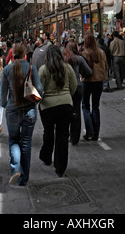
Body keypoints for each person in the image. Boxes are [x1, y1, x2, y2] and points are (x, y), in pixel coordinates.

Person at [0, 43, 43, 186]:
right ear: (25, 54)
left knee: (13, 140)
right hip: (29, 110)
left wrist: (6, 106)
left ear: (12, 55)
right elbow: (40, 89)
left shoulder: (6, 70)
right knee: (26, 143)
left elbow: (2, 96)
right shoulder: (31, 68)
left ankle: (16, 168)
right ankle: (24, 179)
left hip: (12, 110)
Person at [38, 45, 77, 177]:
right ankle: (60, 167)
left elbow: (39, 89)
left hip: (47, 107)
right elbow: (74, 85)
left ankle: (46, 156)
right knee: (63, 136)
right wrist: (67, 96)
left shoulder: (43, 70)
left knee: (48, 132)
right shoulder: (67, 68)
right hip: (65, 106)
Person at [63, 40, 92, 145]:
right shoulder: (79, 59)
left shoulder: (63, 59)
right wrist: (82, 76)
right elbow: (89, 71)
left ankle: (65, 135)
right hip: (78, 87)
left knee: (65, 112)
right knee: (77, 111)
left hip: (66, 88)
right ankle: (74, 138)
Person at [81, 33, 107, 141]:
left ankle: (89, 131)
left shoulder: (84, 53)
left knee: (85, 106)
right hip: (99, 81)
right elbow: (105, 66)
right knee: (95, 106)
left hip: (87, 82)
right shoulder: (101, 52)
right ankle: (96, 133)